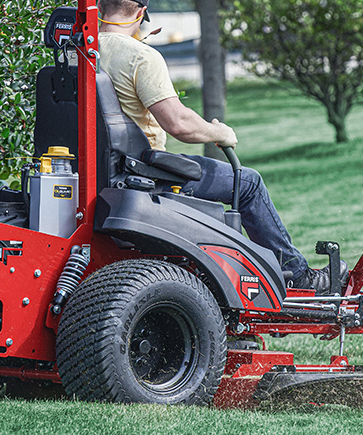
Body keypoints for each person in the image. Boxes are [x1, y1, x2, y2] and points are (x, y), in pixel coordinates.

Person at [96, 0, 346, 294]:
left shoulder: (79, 55)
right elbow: (178, 124)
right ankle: (297, 277)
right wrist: (219, 132)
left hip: (98, 174)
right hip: (144, 177)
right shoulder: (140, 57)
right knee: (249, 183)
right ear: (140, 13)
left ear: (99, 6)